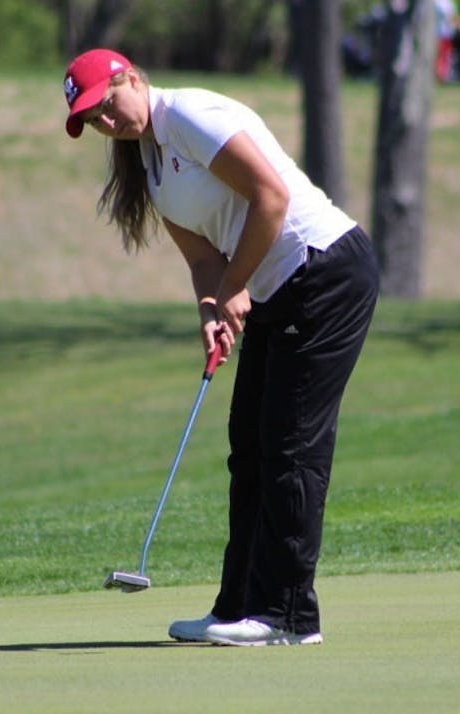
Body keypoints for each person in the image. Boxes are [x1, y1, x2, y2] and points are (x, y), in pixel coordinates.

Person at [63, 49, 379, 646]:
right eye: (94, 120)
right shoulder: (150, 169)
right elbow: (205, 259)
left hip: (324, 272)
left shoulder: (189, 114)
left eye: (108, 105)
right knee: (250, 450)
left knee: (289, 446)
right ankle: (239, 606)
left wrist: (235, 287)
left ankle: (288, 617)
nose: (108, 122)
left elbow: (271, 197)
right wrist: (213, 309)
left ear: (131, 78)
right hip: (276, 286)